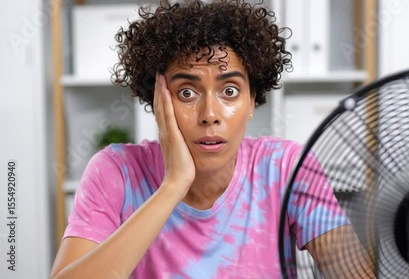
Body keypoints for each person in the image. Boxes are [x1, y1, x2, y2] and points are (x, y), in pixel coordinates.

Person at [50, 0, 374, 278]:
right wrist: (174, 184)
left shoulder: (286, 167)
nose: (209, 114)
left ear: (252, 101)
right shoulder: (115, 171)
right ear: (158, 101)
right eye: (187, 92)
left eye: (229, 91)